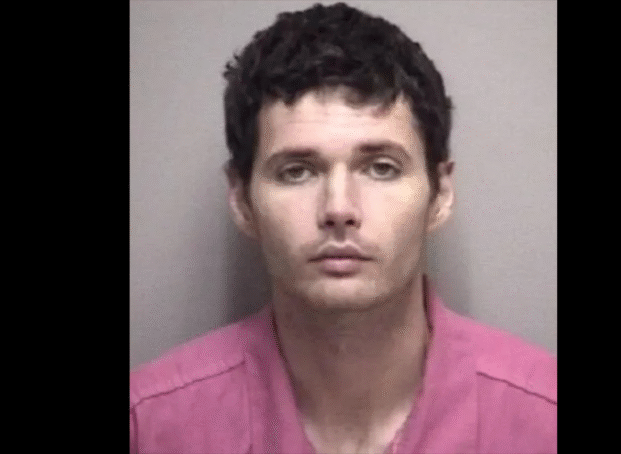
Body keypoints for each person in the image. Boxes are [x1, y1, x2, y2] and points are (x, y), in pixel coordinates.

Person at [129, 3, 557, 453]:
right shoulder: (150, 429)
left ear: (441, 193)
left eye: (381, 168)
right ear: (241, 200)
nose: (338, 208)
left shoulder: (545, 423)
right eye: (297, 171)